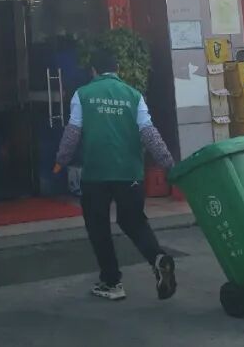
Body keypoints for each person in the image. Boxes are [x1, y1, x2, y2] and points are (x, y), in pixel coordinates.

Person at [54, 48, 177, 301]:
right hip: (129, 173)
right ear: (117, 69)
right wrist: (168, 163)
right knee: (134, 221)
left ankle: (112, 282)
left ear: (93, 71)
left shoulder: (83, 94)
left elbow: (72, 133)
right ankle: (158, 258)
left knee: (98, 226)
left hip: (96, 175)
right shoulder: (134, 96)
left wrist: (61, 160)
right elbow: (149, 133)